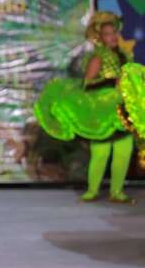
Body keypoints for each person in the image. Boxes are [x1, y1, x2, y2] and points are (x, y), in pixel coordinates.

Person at [35, 12, 137, 204]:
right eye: (108, 33)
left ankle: (117, 192)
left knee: (123, 153)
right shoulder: (97, 58)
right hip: (102, 112)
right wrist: (111, 81)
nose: (113, 36)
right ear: (99, 37)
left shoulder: (125, 55)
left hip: (122, 110)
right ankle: (92, 190)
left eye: (114, 32)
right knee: (101, 154)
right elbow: (88, 84)